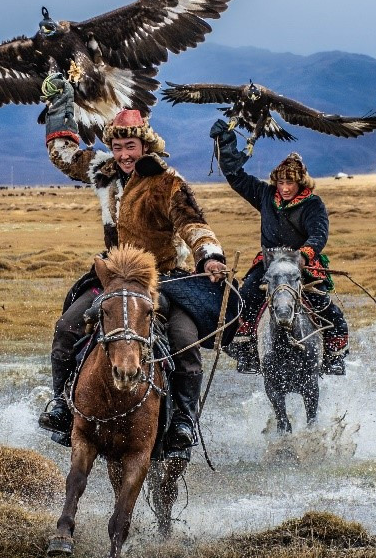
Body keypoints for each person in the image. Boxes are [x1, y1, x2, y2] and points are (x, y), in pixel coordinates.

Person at [39, 74, 233, 453]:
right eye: (117, 146)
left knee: (184, 342)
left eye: (130, 146)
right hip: (113, 277)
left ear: (145, 144)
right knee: (66, 328)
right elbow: (63, 153)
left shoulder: (166, 182)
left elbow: (193, 224)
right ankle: (63, 405)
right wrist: (60, 104)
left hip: (165, 280)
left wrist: (209, 257)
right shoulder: (103, 171)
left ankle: (182, 421)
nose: (124, 155)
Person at [209, 119, 348, 375]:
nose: (284, 188)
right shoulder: (265, 195)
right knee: (246, 296)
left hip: (302, 263)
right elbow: (237, 178)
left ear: (300, 184)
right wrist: (224, 145)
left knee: (323, 304)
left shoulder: (313, 204)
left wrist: (304, 255)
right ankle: (248, 350)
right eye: (281, 182)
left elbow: (319, 234)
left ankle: (333, 354)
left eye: (290, 183)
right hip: (269, 262)